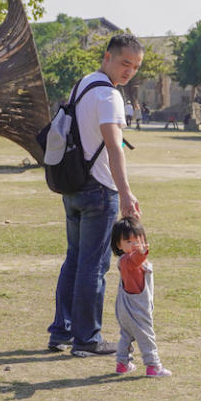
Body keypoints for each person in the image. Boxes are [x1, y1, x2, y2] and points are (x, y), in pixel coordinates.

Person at [47, 34, 144, 357]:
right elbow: (114, 148)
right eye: (124, 63)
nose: (129, 71)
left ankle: (62, 331)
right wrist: (127, 194)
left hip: (72, 185)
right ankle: (87, 339)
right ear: (108, 57)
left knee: (74, 260)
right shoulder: (109, 97)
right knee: (93, 266)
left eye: (135, 66)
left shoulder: (83, 84)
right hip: (99, 190)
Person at [110, 217, 171, 377]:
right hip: (136, 310)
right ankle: (153, 366)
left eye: (139, 240)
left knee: (126, 336)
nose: (135, 244)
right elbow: (134, 259)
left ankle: (122, 363)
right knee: (146, 337)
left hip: (125, 309)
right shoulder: (128, 261)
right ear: (119, 245)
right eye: (129, 242)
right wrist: (142, 253)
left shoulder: (130, 261)